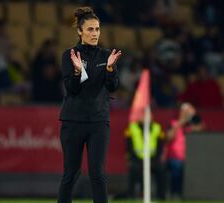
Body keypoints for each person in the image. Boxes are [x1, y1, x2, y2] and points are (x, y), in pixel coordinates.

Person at [57, 7, 122, 203]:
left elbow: (113, 86)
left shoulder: (106, 56)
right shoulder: (69, 55)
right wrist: (77, 71)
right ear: (80, 32)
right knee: (71, 173)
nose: (95, 33)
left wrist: (110, 68)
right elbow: (71, 89)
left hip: (98, 121)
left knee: (98, 174)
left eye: (97, 29)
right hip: (73, 120)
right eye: (90, 29)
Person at [165, 103, 204, 199]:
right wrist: (181, 122)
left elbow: (202, 131)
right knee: (177, 166)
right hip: (175, 157)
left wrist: (194, 118)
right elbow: (168, 137)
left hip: (191, 158)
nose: (187, 114)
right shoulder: (173, 123)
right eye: (185, 111)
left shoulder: (193, 124)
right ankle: (175, 193)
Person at [124, 117, 166, 200]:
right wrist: (131, 157)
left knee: (161, 170)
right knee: (133, 169)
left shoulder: (157, 127)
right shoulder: (132, 127)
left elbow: (160, 145)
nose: (145, 118)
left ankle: (161, 196)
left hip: (153, 159)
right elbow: (128, 145)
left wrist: (156, 158)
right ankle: (131, 194)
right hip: (137, 159)